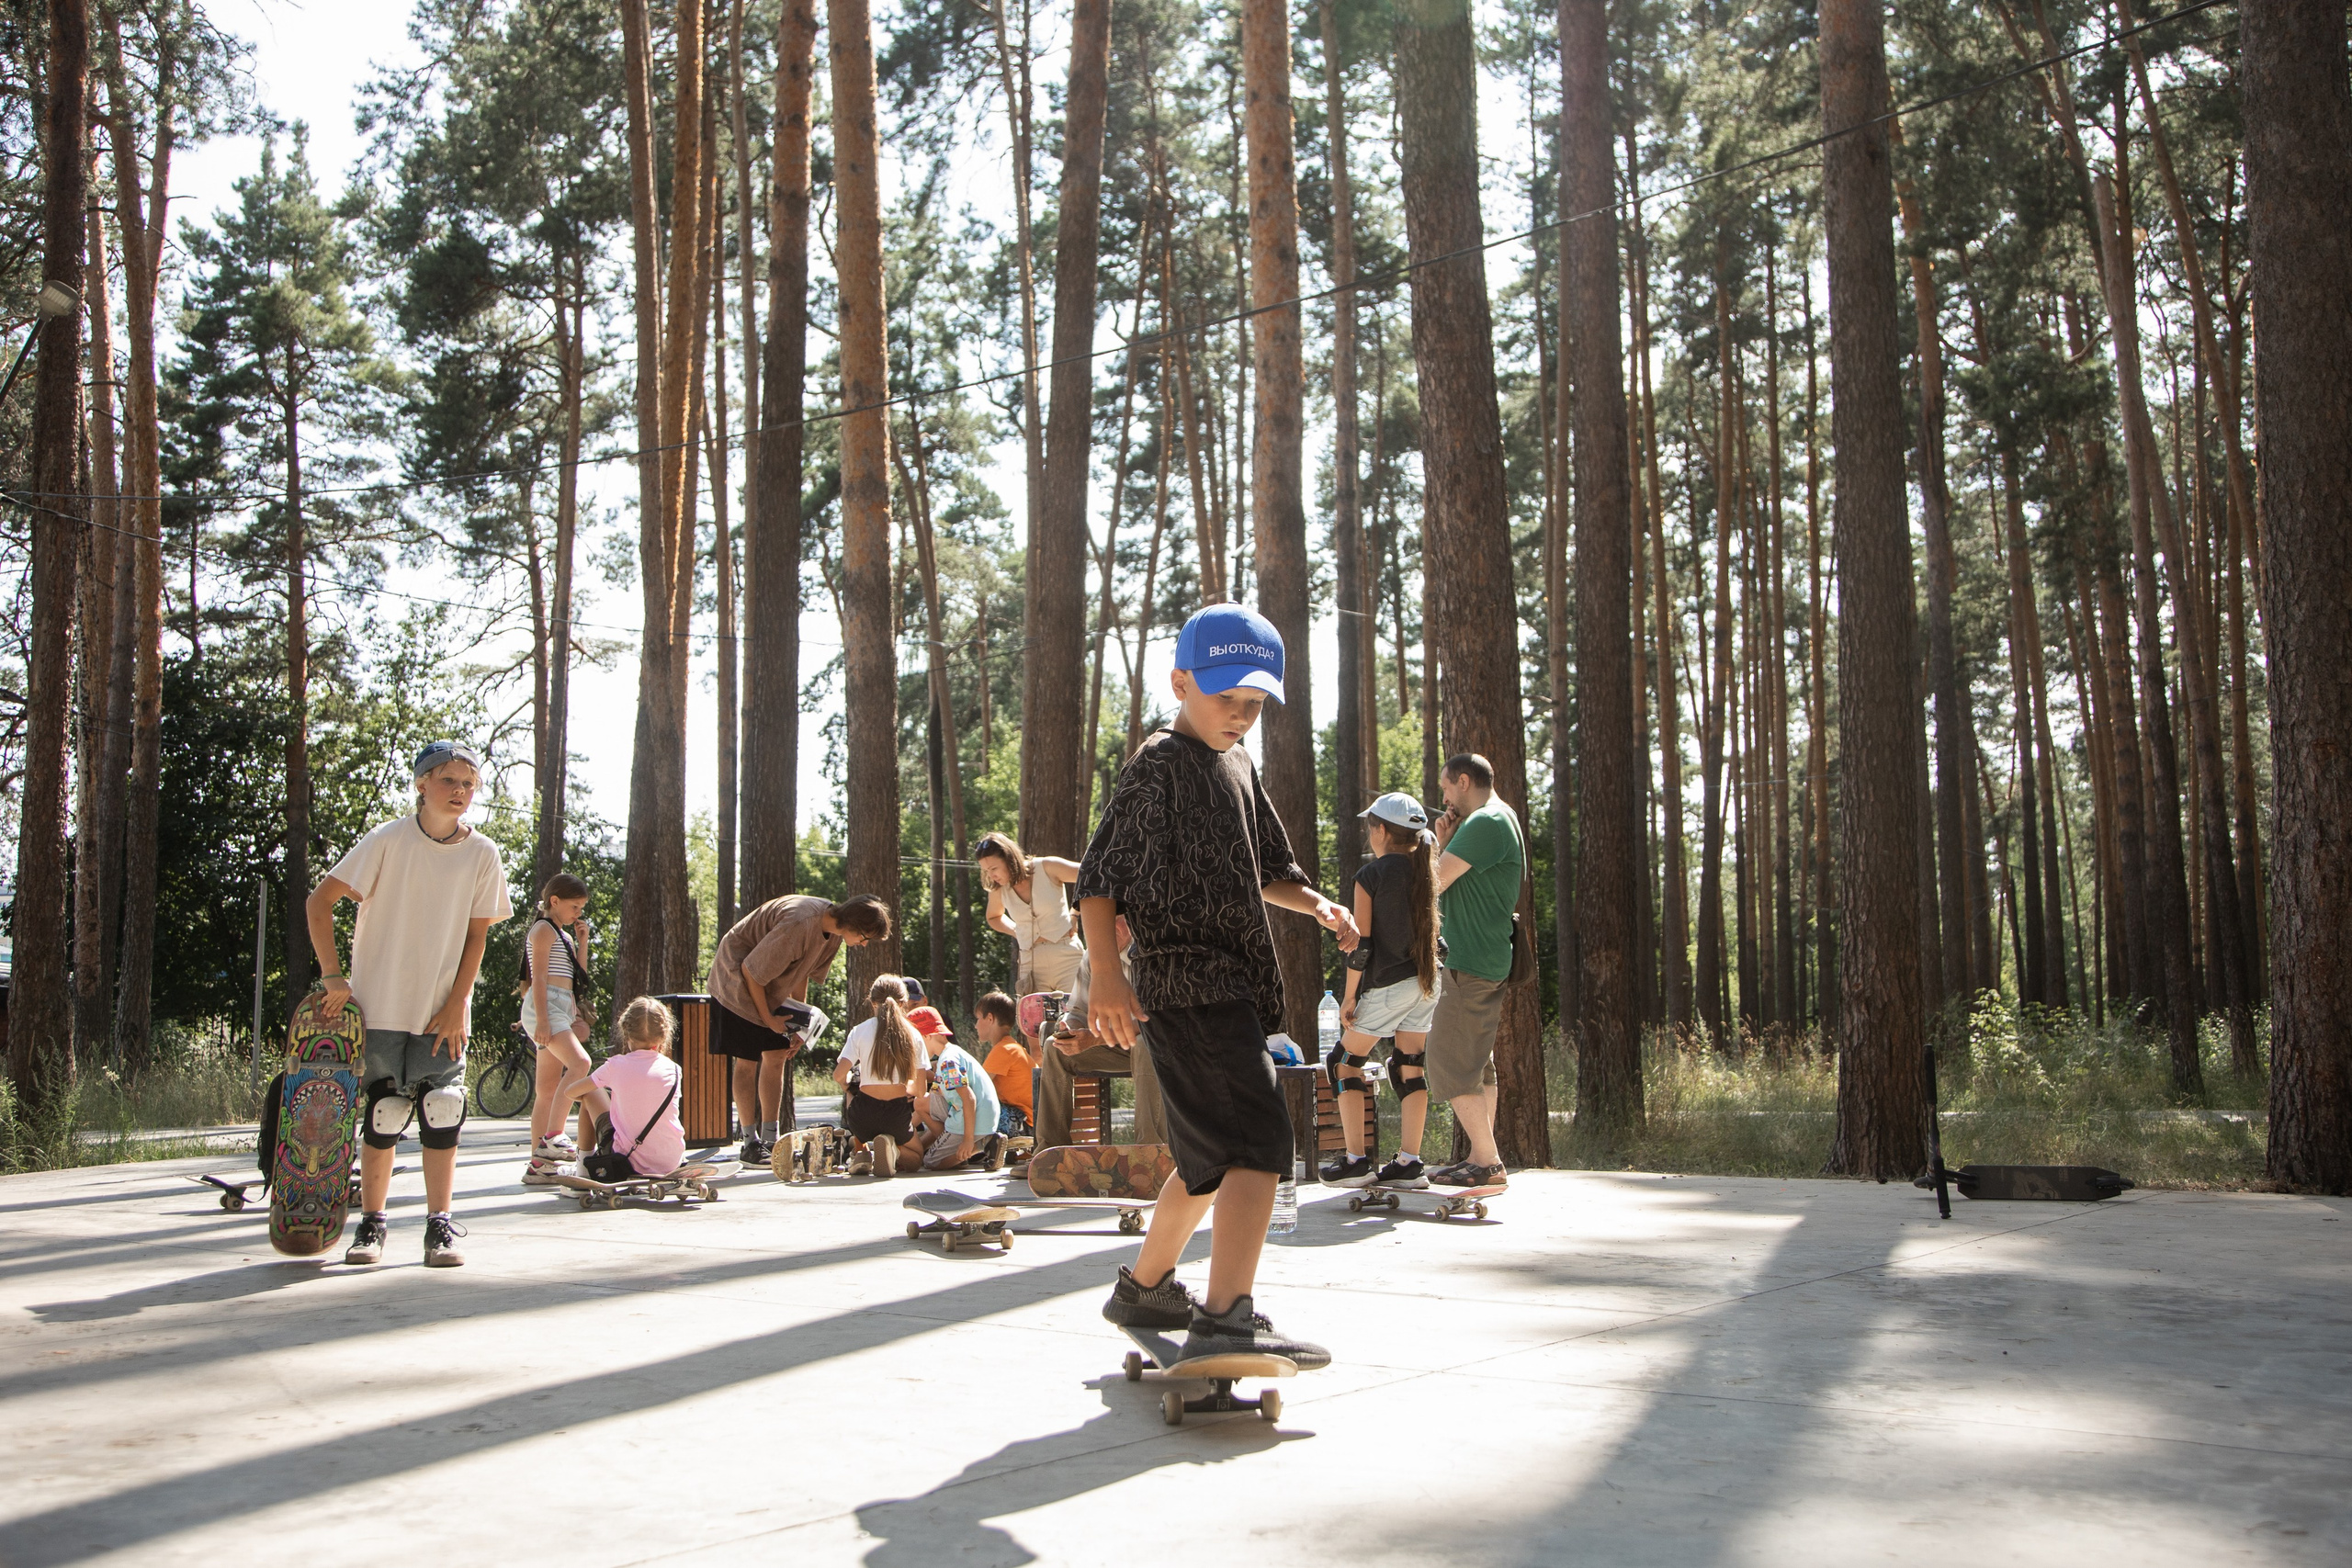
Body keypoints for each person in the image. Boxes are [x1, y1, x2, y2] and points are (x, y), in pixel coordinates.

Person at [1079, 602, 1358, 1367]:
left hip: (1229, 988)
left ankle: (1144, 1286)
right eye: (1225, 698)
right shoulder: (1158, 766)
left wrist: (1317, 903)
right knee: (1261, 1139)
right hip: (1187, 985)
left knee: (1207, 1161)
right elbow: (1099, 880)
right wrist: (1106, 973)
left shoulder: (1236, 763)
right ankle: (1228, 1315)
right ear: (1181, 680)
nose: (1240, 716)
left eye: (1254, 704)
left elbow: (1268, 866)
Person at [307, 739, 513, 1269]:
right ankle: (371, 1226)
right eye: (448, 781)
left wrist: (458, 1001)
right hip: (379, 1007)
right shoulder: (387, 841)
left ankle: (438, 1226)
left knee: (443, 1112)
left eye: (469, 784)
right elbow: (320, 901)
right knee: (384, 1112)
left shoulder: (482, 853)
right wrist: (334, 977)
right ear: (422, 783)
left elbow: (477, 937)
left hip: (441, 1011)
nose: (460, 792)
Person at [706, 893, 890, 1168]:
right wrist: (769, 1019)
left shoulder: (833, 935)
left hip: (768, 985)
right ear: (852, 923)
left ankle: (771, 1138)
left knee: (777, 1056)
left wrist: (798, 1025)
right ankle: (750, 1142)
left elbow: (801, 972)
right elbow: (751, 971)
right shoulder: (799, 924)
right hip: (736, 979)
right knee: (747, 1061)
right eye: (864, 938)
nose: (863, 945)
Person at [1320, 794, 1442, 1188]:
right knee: (1408, 1066)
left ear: (1381, 830)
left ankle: (1356, 1161)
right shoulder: (1424, 868)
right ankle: (1409, 1163)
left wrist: (1350, 996)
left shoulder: (1370, 875)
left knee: (1343, 1063)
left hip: (1389, 985)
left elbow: (1362, 946)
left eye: (1369, 826)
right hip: (1427, 982)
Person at [1422, 752, 1527, 1190]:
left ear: (1463, 782)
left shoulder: (1487, 821)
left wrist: (1436, 845)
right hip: (1480, 958)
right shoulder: (1500, 819)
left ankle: (1487, 1162)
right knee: (1477, 1064)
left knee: (1446, 1058)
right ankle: (1478, 1157)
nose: (1443, 798)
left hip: (1471, 962)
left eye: (1446, 788)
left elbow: (1433, 881)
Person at [1035, 916, 1165, 1148]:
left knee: (1146, 1044)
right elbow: (1076, 1011)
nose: (1110, 925)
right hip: (1115, 1046)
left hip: (1161, 1046)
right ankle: (1049, 1153)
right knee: (1055, 1048)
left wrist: (1094, 1038)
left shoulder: (1154, 953)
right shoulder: (1092, 957)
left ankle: (1149, 1153)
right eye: (1106, 918)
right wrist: (1070, 1027)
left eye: (1120, 919)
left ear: (1135, 921)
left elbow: (1156, 1022)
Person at [520, 874, 612, 1186]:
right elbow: (539, 979)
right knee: (581, 1064)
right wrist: (543, 1020)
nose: (578, 913)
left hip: (561, 1006)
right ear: (554, 901)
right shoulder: (543, 929)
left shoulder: (564, 935)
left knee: (546, 1090)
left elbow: (578, 977)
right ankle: (554, 1137)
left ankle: (539, 1165)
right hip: (545, 1006)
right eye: (574, 907)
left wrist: (582, 942)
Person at [560, 996, 688, 1179]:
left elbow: (569, 1092)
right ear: (664, 1034)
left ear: (626, 1033)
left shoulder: (616, 1065)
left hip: (627, 1161)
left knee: (591, 1092)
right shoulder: (674, 1069)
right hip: (671, 1161)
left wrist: (607, 1100)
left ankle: (582, 1170)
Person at [832, 976, 928, 1176]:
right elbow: (920, 1091)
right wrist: (906, 1088)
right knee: (916, 1159)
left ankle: (862, 1150)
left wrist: (846, 1084)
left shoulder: (859, 1031)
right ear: (903, 1003)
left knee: (853, 1092)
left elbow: (838, 1075)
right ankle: (893, 1149)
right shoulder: (913, 1034)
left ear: (872, 1002)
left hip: (863, 1115)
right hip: (896, 1114)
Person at [976, 832, 1085, 994]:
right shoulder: (998, 888)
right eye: (986, 871)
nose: (991, 875)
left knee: (1078, 1014)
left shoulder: (1048, 867)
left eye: (994, 868)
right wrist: (1015, 931)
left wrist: (1075, 913)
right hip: (1030, 961)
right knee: (1032, 1017)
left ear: (1009, 858)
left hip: (1066, 953)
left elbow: (1091, 876)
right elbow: (993, 917)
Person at [904, 1010, 1003, 1171]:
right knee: (921, 1103)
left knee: (930, 1161)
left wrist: (968, 1140)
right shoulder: (951, 1054)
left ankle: (980, 1147)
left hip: (974, 1117)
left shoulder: (947, 1062)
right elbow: (930, 1099)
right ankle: (950, 1148)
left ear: (927, 1036)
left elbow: (969, 1098)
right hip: (979, 1113)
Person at [972, 992, 1035, 1138]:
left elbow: (976, 1087)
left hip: (1022, 1124)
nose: (975, 1026)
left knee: (965, 1105)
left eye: (977, 1019)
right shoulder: (1011, 1046)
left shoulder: (1003, 1050)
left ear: (990, 1018)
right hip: (1029, 1122)